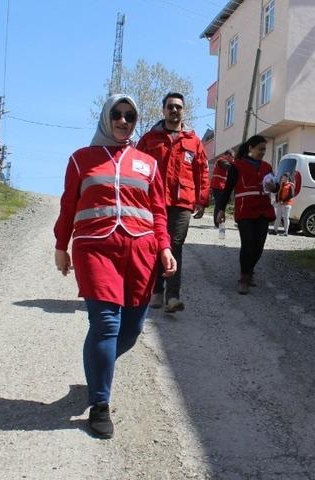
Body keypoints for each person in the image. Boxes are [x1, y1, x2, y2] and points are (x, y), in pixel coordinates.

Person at [54, 94, 176, 439]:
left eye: (131, 116)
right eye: (118, 115)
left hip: (141, 252)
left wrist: (165, 247)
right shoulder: (82, 159)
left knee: (132, 330)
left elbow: (159, 212)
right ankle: (100, 405)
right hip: (96, 249)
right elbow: (68, 207)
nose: (124, 121)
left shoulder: (147, 164)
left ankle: (97, 370)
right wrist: (61, 246)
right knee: (106, 322)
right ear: (107, 118)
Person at [136, 92, 209, 313]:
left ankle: (172, 297)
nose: (174, 110)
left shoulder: (193, 141)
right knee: (156, 245)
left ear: (183, 111)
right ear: (164, 110)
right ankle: (156, 291)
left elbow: (202, 171)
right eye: (170, 106)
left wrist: (202, 200)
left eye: (178, 106)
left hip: (182, 202)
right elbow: (137, 168)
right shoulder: (149, 139)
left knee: (175, 246)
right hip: (153, 201)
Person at [214, 135, 277, 294]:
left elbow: (274, 187)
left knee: (259, 247)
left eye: (264, 149)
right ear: (250, 148)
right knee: (248, 245)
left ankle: (250, 270)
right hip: (245, 211)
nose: (263, 152)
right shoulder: (237, 166)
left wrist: (274, 187)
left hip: (263, 210)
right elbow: (227, 189)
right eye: (260, 149)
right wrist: (221, 209)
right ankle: (244, 277)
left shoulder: (267, 167)